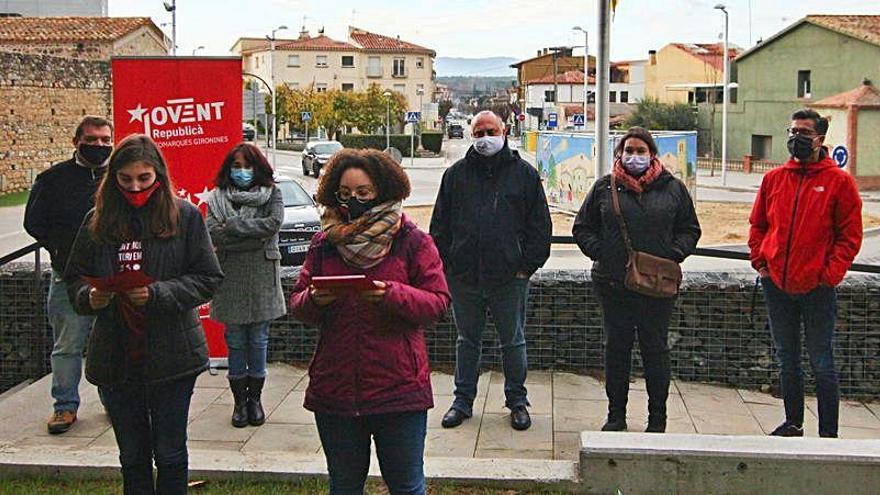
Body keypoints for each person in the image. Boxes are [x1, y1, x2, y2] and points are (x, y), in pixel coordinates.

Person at [64, 134, 223, 494]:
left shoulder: (183, 216)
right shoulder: (97, 220)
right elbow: (73, 277)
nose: (135, 187)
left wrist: (158, 293)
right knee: (132, 455)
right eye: (125, 180)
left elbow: (209, 277)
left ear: (159, 176)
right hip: (116, 356)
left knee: (169, 452)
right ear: (113, 178)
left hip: (172, 356)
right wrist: (89, 297)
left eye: (144, 179)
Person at [289, 149, 449, 495]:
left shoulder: (412, 241)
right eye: (345, 194)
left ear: (384, 190)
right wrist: (315, 299)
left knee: (406, 485)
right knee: (344, 485)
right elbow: (298, 302)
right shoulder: (323, 243)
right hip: (335, 388)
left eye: (364, 193)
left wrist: (391, 294)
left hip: (398, 388)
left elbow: (437, 302)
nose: (354, 201)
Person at [572, 126, 701, 433]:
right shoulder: (606, 188)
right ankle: (616, 415)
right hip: (613, 283)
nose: (634, 156)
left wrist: (673, 254)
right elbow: (582, 227)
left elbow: (690, 229)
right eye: (628, 150)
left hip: (657, 286)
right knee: (617, 349)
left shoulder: (674, 189)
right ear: (619, 154)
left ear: (652, 155)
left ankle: (658, 418)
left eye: (641, 151)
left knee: (655, 349)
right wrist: (601, 252)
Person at [430, 110, 552, 431]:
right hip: (464, 277)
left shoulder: (524, 175)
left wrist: (526, 267)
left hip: (510, 279)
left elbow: (540, 227)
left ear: (504, 131)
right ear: (472, 135)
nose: (485, 138)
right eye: (479, 132)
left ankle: (517, 401)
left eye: (490, 131)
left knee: (512, 342)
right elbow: (439, 228)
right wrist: (449, 266)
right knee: (466, 341)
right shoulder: (455, 176)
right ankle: (462, 401)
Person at [749, 109, 862, 439]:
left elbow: (850, 235)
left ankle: (829, 434)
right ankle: (793, 422)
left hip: (817, 289)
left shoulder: (839, 182)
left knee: (822, 362)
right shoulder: (774, 179)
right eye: (792, 131)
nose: (795, 138)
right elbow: (758, 225)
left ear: (820, 139)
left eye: (804, 132)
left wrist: (829, 274)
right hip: (777, 285)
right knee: (787, 360)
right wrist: (761, 261)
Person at [23, 116, 113, 434]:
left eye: (105, 140)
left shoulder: (117, 178)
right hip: (68, 276)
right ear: (77, 142)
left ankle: (113, 402)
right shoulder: (52, 179)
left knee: (110, 344)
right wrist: (62, 251)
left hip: (110, 277)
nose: (99, 146)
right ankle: (64, 407)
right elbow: (34, 223)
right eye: (92, 139)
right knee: (67, 346)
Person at [206, 143, 285, 428]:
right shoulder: (217, 197)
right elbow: (213, 232)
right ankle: (240, 403)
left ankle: (256, 400)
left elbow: (273, 224)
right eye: (236, 166)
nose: (241, 172)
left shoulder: (272, 193)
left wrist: (233, 228)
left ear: (258, 168)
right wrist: (248, 235)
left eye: (247, 166)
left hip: (262, 274)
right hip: (230, 276)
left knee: (259, 339)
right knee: (236, 340)